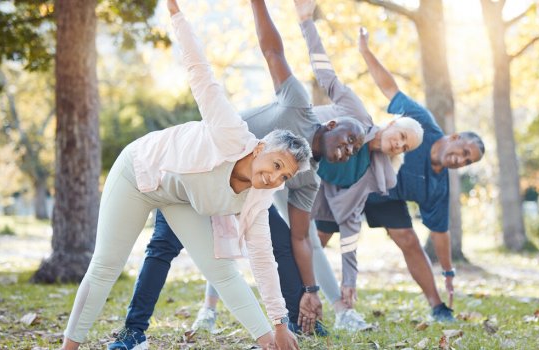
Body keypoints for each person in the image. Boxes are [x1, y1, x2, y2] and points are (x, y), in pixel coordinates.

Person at [107, 0, 368, 348]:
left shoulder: (308, 179)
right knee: (163, 246)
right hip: (201, 171)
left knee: (281, 243)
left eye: (355, 149)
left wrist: (310, 291)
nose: (349, 148)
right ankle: (133, 330)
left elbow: (301, 240)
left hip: (244, 197)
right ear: (331, 123)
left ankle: (290, 324)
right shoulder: (298, 104)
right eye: (350, 137)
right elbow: (272, 51)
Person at [59, 1, 312, 349]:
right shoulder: (230, 131)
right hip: (138, 171)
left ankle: (269, 343)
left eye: (285, 177)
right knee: (105, 265)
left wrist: (280, 323)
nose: (275, 178)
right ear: (259, 149)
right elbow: (200, 72)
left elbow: (263, 259)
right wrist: (177, 16)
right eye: (276, 164)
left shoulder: (257, 196)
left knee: (222, 271)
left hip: (177, 197)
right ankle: (68, 347)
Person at [188, 0, 426, 334]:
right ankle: (209, 308)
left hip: (289, 174)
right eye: (401, 135)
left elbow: (349, 223)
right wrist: (305, 21)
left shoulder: (374, 171)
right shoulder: (340, 113)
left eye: (405, 147)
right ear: (391, 124)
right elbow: (312, 68)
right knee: (227, 234)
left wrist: (340, 284)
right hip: (233, 152)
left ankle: (332, 310)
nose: (398, 144)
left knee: (291, 238)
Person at [313, 25, 486, 324]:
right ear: (455, 137)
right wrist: (366, 52)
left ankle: (437, 307)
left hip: (385, 195)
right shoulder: (423, 124)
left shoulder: (438, 185)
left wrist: (448, 272)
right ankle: (297, 292)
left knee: (408, 238)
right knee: (319, 236)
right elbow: (389, 88)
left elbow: (441, 233)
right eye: (465, 152)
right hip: (358, 176)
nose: (461, 160)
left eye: (468, 162)